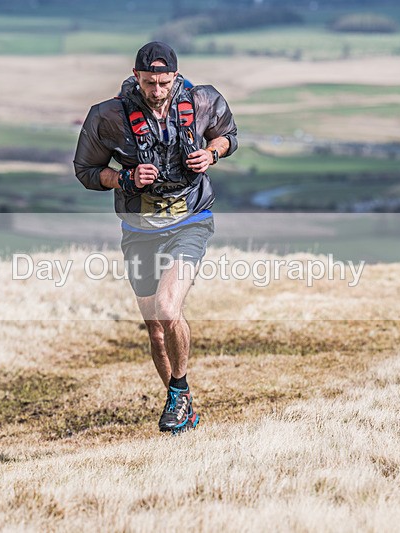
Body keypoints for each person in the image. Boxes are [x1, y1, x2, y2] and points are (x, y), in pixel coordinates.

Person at [74, 42, 237, 434]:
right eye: (149, 82)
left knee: (167, 307)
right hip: (139, 229)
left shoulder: (202, 100)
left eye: (164, 82)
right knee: (156, 329)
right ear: (136, 77)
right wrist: (125, 177)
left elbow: (228, 136)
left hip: (191, 220)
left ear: (175, 77)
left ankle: (177, 395)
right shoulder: (108, 116)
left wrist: (211, 154)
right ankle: (182, 402)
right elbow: (87, 171)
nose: (157, 90)